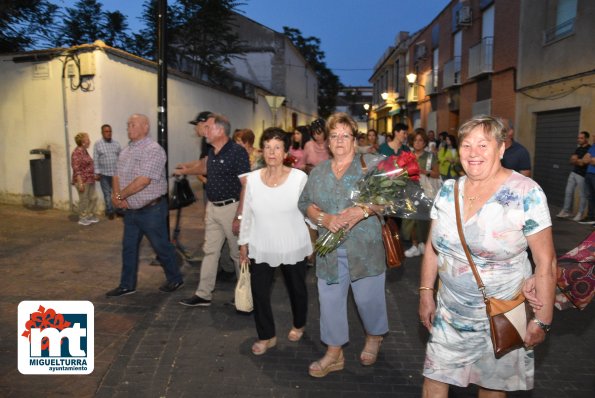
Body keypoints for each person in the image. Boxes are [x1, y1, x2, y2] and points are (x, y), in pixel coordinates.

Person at [418, 115, 557, 397]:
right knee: (434, 377)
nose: (473, 153)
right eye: (466, 145)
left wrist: (542, 320)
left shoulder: (526, 193)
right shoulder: (448, 190)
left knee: (492, 387)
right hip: (451, 311)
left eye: (483, 144)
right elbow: (433, 247)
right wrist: (425, 292)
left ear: (501, 148)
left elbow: (546, 261)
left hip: (503, 312)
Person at [298, 112, 388, 378]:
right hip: (329, 249)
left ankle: (374, 336)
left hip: (365, 249)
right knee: (329, 301)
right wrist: (324, 217)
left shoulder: (369, 165)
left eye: (345, 135)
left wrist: (361, 211)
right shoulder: (319, 172)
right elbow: (305, 203)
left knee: (368, 300)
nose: (339, 140)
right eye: (334, 135)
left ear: (354, 139)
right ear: (327, 141)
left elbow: (387, 199)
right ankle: (334, 352)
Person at [238, 127, 312, 355]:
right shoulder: (251, 180)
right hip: (262, 245)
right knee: (259, 292)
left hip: (293, 244)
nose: (272, 152)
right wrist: (243, 242)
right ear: (262, 150)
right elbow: (247, 213)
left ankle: (299, 324)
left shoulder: (299, 178)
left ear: (285, 150)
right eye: (268, 147)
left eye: (277, 147)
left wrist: (313, 241)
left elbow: (310, 211)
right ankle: (266, 336)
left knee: (297, 289)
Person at [174, 113, 250, 307]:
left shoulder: (237, 152)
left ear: (220, 130)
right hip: (213, 209)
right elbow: (204, 167)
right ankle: (203, 294)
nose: (204, 131)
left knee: (237, 254)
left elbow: (246, 186)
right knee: (210, 252)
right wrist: (186, 170)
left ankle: (245, 294)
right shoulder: (212, 151)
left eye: (208, 127)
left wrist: (240, 215)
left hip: (231, 209)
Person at [105, 114, 184, 297]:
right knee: (129, 247)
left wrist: (120, 195)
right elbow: (116, 175)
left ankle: (175, 279)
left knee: (161, 246)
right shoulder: (126, 151)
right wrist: (116, 196)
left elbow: (143, 181)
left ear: (145, 127)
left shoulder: (153, 150)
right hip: (132, 210)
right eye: (128, 124)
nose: (128, 127)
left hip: (152, 210)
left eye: (132, 124)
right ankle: (127, 285)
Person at [403, 130, 439, 257]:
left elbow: (436, 174)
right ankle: (414, 244)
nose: (418, 143)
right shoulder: (407, 156)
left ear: (425, 143)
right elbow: (401, 172)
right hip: (410, 191)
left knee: (424, 219)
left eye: (421, 140)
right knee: (411, 219)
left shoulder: (430, 156)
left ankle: (423, 243)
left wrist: (423, 171)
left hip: (426, 192)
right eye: (415, 140)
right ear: (412, 142)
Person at [556, 131, 591, 221]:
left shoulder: (589, 149)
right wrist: (578, 161)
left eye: (581, 138)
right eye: (578, 138)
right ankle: (566, 211)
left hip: (582, 175)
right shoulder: (578, 149)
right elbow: (571, 161)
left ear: (586, 139)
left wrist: (577, 160)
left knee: (582, 195)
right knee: (568, 192)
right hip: (574, 172)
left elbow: (583, 163)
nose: (578, 139)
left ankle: (580, 214)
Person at [93, 124, 122, 219]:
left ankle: (118, 209)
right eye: (106, 131)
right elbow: (96, 159)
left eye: (110, 131)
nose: (108, 133)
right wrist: (97, 172)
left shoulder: (116, 144)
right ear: (102, 133)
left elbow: (121, 157)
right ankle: (110, 211)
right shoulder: (98, 144)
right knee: (107, 194)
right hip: (104, 174)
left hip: (115, 174)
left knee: (117, 193)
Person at [71, 132, 99, 226]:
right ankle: (82, 217)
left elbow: (88, 166)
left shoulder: (84, 151)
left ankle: (90, 215)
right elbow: (76, 168)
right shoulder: (76, 152)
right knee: (84, 200)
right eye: (87, 139)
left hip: (90, 179)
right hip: (82, 180)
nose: (89, 141)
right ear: (83, 142)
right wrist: (80, 183)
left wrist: (94, 175)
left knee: (93, 198)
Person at [578, 138, 595, 225]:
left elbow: (592, 161)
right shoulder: (593, 147)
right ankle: (591, 217)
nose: (593, 138)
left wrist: (590, 159)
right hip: (589, 174)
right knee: (590, 197)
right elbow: (585, 159)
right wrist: (591, 159)